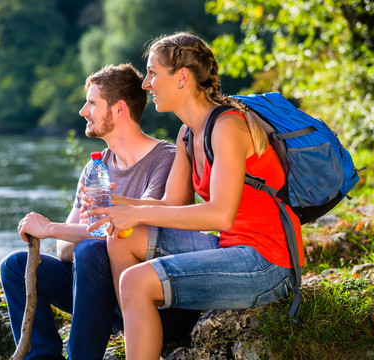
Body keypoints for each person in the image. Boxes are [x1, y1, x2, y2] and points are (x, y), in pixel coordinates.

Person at [84, 32, 305, 360]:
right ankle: (141, 325)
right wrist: (119, 205)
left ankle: (142, 318)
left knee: (135, 281)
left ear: (182, 77)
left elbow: (219, 215)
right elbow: (173, 205)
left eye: (153, 73)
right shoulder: (188, 133)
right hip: (231, 247)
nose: (146, 84)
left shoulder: (228, 127)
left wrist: (137, 213)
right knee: (122, 237)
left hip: (267, 263)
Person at [0, 63, 200, 360]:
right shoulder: (96, 167)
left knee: (92, 250)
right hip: (106, 295)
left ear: (119, 109)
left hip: (156, 303)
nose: (83, 111)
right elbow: (65, 251)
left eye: (92, 103)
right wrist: (71, 231)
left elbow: (137, 232)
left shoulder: (165, 160)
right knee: (15, 266)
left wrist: (51, 227)